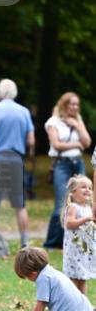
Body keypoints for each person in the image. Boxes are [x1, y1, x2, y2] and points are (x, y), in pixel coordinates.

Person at [0, 79, 35, 248]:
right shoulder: (23, 112)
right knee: (20, 204)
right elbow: (31, 140)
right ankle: (25, 241)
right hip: (16, 159)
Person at [43, 92, 92, 249]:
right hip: (61, 164)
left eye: (77, 104)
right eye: (72, 104)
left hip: (78, 163)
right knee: (61, 203)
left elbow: (87, 142)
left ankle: (76, 238)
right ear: (64, 105)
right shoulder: (53, 122)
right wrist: (76, 144)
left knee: (83, 201)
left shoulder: (78, 120)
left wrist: (77, 126)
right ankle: (52, 242)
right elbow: (56, 144)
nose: (75, 107)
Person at [14, 246, 95, 311]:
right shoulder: (52, 272)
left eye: (27, 277)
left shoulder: (43, 279)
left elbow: (40, 305)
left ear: (33, 274)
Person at [62, 175, 96, 294]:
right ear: (73, 192)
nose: (87, 190)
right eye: (83, 187)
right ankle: (72, 304)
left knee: (82, 278)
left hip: (84, 251)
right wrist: (86, 219)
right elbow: (69, 223)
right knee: (74, 279)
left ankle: (83, 305)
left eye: (90, 188)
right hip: (74, 250)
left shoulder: (88, 208)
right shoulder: (73, 207)